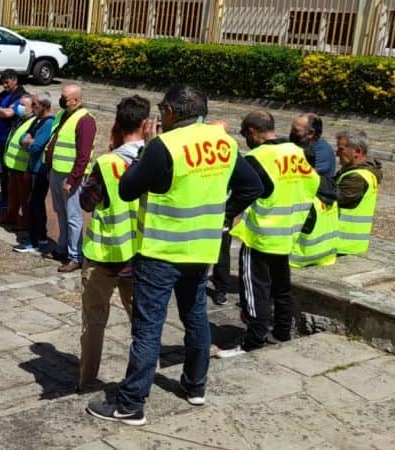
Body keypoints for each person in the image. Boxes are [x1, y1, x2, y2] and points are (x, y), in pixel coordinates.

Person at [86, 85, 262, 426]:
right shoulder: (224, 143)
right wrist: (224, 214)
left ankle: (131, 403)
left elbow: (127, 188)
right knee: (195, 315)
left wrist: (148, 147)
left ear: (169, 111)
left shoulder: (165, 145)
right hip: (201, 248)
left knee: (148, 326)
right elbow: (253, 186)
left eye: (162, 110)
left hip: (161, 249)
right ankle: (195, 386)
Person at [216, 111, 319, 359]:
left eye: (243, 134)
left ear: (252, 131)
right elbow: (314, 182)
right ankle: (282, 332)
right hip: (287, 232)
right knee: (281, 288)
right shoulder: (297, 152)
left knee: (255, 290)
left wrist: (226, 214)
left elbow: (242, 192)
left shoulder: (256, 158)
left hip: (260, 234)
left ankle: (253, 340)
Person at [76, 95, 149, 391]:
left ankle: (87, 382)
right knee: (143, 325)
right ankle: (144, 378)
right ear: (146, 125)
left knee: (94, 324)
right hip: (141, 255)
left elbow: (86, 201)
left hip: (104, 255)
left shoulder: (107, 164)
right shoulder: (157, 158)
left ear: (117, 125)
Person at [45, 84, 96, 272]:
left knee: (73, 215)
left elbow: (83, 155)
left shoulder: (85, 120)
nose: (61, 100)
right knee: (60, 212)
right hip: (56, 171)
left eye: (64, 97)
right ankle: (62, 248)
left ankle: (75, 256)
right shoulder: (63, 114)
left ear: (75, 99)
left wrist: (73, 179)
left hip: (70, 176)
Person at [9, 93, 55, 253]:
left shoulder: (48, 123)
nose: (32, 107)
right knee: (33, 203)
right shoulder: (36, 120)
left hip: (41, 170)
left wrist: (29, 142)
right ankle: (37, 237)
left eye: (35, 104)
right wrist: (27, 140)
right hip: (32, 167)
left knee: (36, 204)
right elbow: (23, 137)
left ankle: (37, 239)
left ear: (44, 106)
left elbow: (37, 147)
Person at [334, 129, 383, 255]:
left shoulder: (357, 178)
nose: (337, 153)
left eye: (341, 149)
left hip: (343, 244)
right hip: (346, 243)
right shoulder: (355, 171)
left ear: (357, 151)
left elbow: (332, 198)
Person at [0, 69, 28, 209]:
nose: (4, 86)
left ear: (15, 80)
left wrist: (1, 111)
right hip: (0, 136)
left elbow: (9, 114)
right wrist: (1, 110)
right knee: (1, 169)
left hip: (11, 137)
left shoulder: (22, 96)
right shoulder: (3, 94)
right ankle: (5, 198)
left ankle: (12, 200)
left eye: (7, 82)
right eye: (3, 83)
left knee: (10, 170)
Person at [0, 94, 34, 230]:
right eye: (20, 104)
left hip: (24, 166)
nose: (20, 107)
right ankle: (11, 216)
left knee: (24, 197)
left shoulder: (33, 122)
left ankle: (24, 222)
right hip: (13, 165)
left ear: (33, 108)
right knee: (13, 194)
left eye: (24, 105)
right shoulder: (20, 119)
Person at [207, 118, 233, 306]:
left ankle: (221, 289)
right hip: (202, 211)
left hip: (222, 212)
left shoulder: (231, 155)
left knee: (222, 253)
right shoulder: (204, 153)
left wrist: (231, 212)